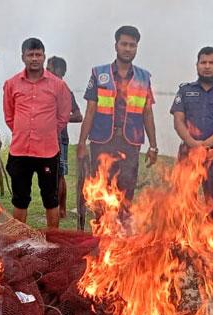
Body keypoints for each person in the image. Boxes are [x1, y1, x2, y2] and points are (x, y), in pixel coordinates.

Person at [76, 25, 158, 203]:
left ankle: (122, 227)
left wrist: (153, 146)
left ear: (136, 47)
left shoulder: (144, 77)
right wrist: (82, 142)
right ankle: (101, 226)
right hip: (102, 139)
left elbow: (148, 113)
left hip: (130, 142)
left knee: (126, 189)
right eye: (124, 44)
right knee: (100, 188)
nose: (128, 49)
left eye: (132, 45)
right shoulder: (99, 73)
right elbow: (90, 110)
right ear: (116, 46)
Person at [2, 38, 71, 228]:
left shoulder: (58, 85)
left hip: (47, 151)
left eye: (38, 54)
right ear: (23, 57)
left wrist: (47, 131)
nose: (34, 59)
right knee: (20, 199)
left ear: (44, 56)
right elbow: (9, 116)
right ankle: (19, 242)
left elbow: (63, 115)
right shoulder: (11, 84)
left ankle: (53, 242)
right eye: (30, 55)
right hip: (20, 151)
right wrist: (22, 132)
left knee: (51, 198)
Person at [170, 46, 213, 221]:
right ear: (197, 65)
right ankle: (182, 241)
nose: (207, 66)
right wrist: (193, 144)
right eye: (203, 62)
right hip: (188, 153)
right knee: (183, 200)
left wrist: (205, 145)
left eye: (212, 62)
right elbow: (178, 120)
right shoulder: (185, 90)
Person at [45, 56, 83, 217]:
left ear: (58, 71)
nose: (45, 70)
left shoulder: (65, 91)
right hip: (44, 138)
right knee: (48, 173)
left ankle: (62, 210)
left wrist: (57, 118)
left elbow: (78, 116)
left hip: (60, 138)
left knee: (60, 174)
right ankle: (53, 208)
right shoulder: (45, 88)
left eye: (49, 67)